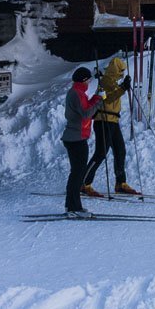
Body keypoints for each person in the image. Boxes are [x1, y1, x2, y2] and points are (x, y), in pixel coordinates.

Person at [82, 57, 140, 197]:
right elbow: (108, 98)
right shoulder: (106, 82)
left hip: (113, 121)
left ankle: (121, 183)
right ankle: (83, 183)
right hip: (103, 120)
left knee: (120, 150)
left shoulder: (113, 82)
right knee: (101, 153)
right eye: (120, 71)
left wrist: (123, 87)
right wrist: (122, 88)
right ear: (115, 70)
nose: (121, 73)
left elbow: (116, 95)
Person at [62, 66, 105, 218]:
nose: (89, 82)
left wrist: (97, 95)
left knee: (76, 173)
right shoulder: (76, 93)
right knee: (77, 174)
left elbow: (86, 107)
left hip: (76, 137)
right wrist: (99, 102)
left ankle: (71, 205)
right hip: (76, 138)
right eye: (89, 80)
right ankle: (74, 207)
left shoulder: (78, 92)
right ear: (84, 80)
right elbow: (87, 113)